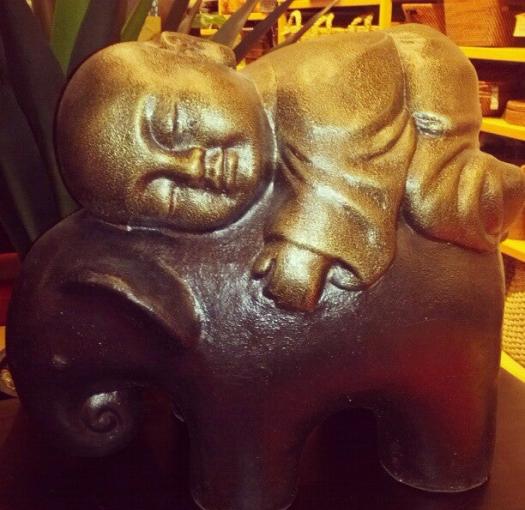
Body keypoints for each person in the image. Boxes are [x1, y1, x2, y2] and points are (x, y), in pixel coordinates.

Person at [57, 25, 525, 312]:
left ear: (194, 52)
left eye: (173, 125)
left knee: (434, 197)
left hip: (421, 79)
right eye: (166, 194)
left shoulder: (304, 79)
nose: (191, 166)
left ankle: (510, 185)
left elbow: (344, 130)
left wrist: (310, 242)